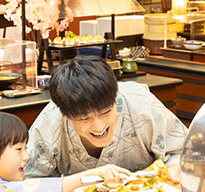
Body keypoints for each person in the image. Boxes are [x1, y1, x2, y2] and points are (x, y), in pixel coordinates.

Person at [25, 56, 188, 182]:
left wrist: (174, 167)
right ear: (67, 116)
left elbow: (184, 150)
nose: (98, 126)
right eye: (84, 119)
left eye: (106, 112)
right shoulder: (51, 119)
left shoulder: (142, 106)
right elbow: (28, 180)